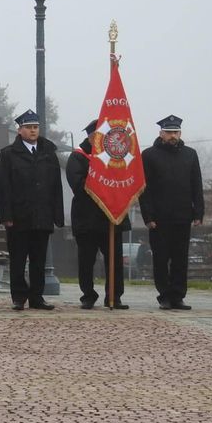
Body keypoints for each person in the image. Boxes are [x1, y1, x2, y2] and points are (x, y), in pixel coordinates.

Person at [0, 110, 64, 311]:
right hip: (18, 217)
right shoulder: (8, 154)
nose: (33, 131)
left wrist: (56, 215)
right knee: (18, 259)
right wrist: (6, 215)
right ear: (20, 130)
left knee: (39, 260)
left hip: (42, 216)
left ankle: (37, 297)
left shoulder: (48, 153)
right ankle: (18, 297)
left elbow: (55, 186)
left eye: (35, 127)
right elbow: (3, 187)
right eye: (29, 127)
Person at [139, 115, 204, 310]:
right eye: (169, 132)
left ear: (180, 133)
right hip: (159, 219)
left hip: (183, 216)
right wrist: (148, 216)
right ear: (161, 134)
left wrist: (198, 213)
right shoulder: (149, 155)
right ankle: (164, 296)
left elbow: (196, 185)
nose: (173, 136)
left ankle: (178, 296)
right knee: (160, 258)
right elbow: (144, 189)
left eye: (175, 132)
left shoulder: (190, 154)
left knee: (180, 258)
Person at [67, 119, 130, 309]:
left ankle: (114, 296)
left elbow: (126, 180)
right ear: (91, 136)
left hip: (111, 216)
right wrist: (100, 174)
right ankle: (88, 295)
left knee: (115, 261)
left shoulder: (115, 157)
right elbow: (78, 186)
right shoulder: (78, 157)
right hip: (87, 219)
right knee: (86, 261)